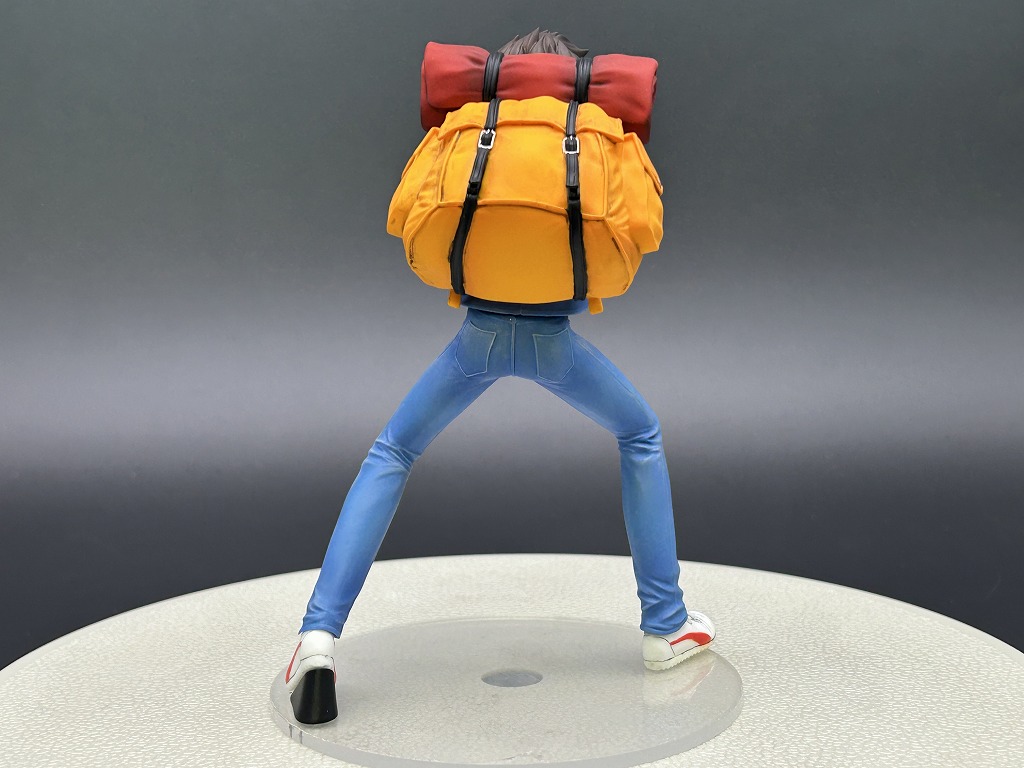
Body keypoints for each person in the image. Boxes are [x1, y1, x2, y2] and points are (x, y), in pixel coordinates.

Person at [283, 29, 715, 725]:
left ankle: (317, 639)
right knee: (639, 435)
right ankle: (665, 625)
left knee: (393, 453)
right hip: (555, 344)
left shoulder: (471, 124)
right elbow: (645, 227)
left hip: (475, 341)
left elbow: (406, 213)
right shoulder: (590, 131)